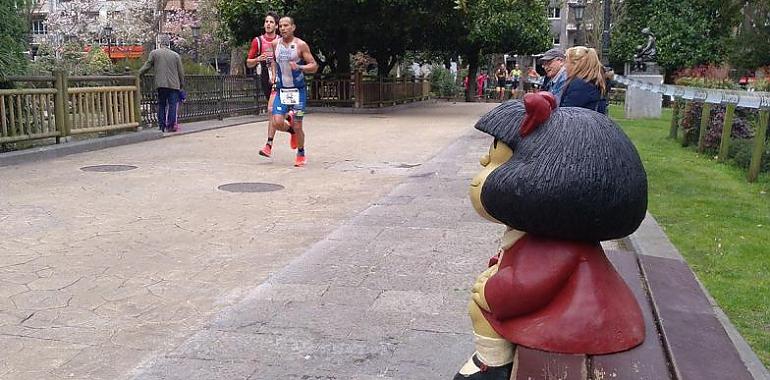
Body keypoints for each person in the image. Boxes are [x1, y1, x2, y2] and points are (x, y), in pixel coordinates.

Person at [453, 93, 648, 379]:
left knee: (482, 311)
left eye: (493, 162)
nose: (483, 164)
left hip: (579, 324)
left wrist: (490, 293)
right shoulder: (550, 234)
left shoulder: (555, 247)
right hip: (579, 314)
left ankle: (491, 365)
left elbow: (526, 286)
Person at [267, 16, 318, 167]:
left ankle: (301, 152)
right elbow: (274, 62)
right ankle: (292, 132)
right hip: (282, 90)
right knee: (276, 122)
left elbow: (314, 65)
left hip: (298, 92)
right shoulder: (275, 44)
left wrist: (300, 67)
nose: (283, 28)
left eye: (286, 25)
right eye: (281, 26)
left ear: (293, 27)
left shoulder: (301, 45)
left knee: (298, 124)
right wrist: (274, 75)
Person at [247, 11, 282, 158]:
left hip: (280, 77)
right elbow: (248, 63)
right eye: (266, 21)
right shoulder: (258, 41)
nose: (268, 24)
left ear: (276, 25)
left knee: (270, 109)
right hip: (265, 77)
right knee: (275, 113)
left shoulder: (282, 40)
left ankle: (268, 145)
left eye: (271, 22)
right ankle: (291, 124)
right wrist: (257, 59)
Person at [138, 34, 184, 133]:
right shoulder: (175, 55)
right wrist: (181, 84)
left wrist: (138, 74)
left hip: (161, 84)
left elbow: (147, 66)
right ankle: (171, 126)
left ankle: (161, 125)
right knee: (172, 105)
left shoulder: (154, 53)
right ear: (168, 44)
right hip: (174, 85)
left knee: (161, 104)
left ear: (160, 43)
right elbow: (181, 72)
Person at [560, 46, 608, 114]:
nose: (564, 66)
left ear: (575, 64)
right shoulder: (590, 82)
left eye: (566, 62)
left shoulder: (580, 86)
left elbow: (566, 114)